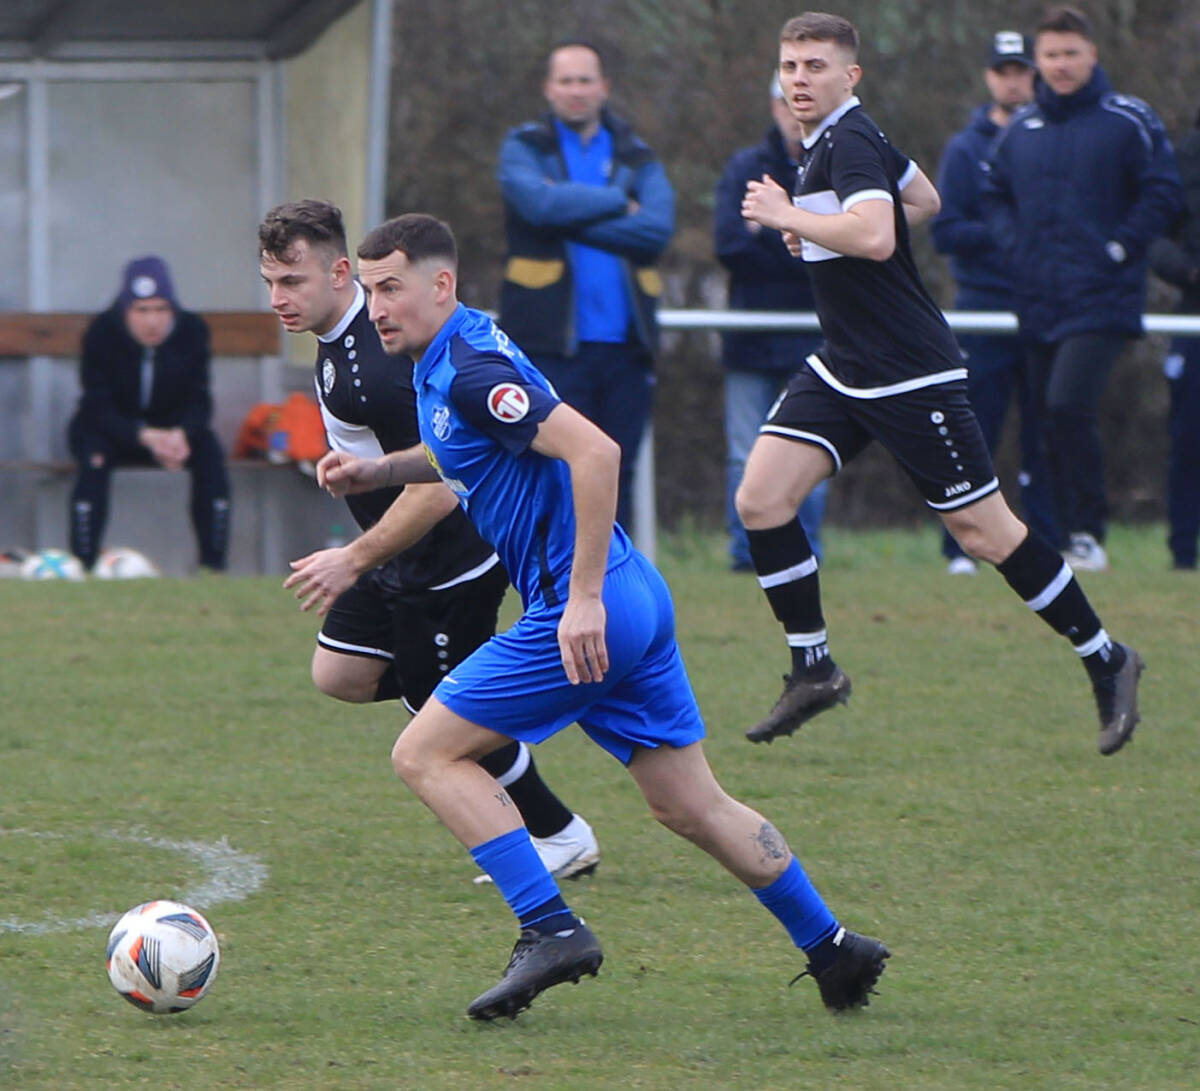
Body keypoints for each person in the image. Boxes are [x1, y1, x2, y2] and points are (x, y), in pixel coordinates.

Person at [321, 212, 890, 1021]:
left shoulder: (473, 367)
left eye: (392, 288)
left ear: (440, 285)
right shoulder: (451, 357)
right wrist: (377, 466)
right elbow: (460, 446)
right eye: (370, 290)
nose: (377, 306)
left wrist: (580, 598)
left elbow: (596, 452)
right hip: (635, 597)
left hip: (586, 606)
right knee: (690, 804)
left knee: (426, 752)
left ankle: (550, 926)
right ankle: (835, 948)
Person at [736, 12, 1144, 757]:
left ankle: (1107, 656)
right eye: (791, 66)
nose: (800, 79)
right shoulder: (838, 140)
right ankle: (812, 667)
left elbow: (880, 234)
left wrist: (790, 214)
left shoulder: (849, 137)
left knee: (984, 533)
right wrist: (817, 220)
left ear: (849, 75)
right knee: (761, 498)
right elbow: (922, 200)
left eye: (815, 67)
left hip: (909, 371)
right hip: (846, 363)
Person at [257, 199, 599, 881]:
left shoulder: (382, 361)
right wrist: (364, 471)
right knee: (341, 672)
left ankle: (560, 833)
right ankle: (472, 693)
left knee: (437, 711)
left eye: (291, 281)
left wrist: (353, 556)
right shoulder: (338, 342)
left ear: (339, 273)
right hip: (398, 555)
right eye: (269, 281)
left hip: (449, 560)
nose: (277, 298)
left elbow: (447, 479)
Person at [981, 5, 1183, 571]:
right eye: (1050, 55)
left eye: (1071, 53)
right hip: (1039, 298)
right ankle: (1056, 536)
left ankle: (1088, 532)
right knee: (1043, 420)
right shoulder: (1021, 130)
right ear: (1037, 61)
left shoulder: (1128, 119)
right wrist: (1014, 246)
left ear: (1092, 55)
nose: (1061, 64)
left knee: (1068, 404)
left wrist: (1119, 247)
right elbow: (991, 194)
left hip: (1104, 298)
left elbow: (1162, 193)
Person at [497, 40, 675, 530]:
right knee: (554, 472)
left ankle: (620, 591)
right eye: (566, 80)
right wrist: (619, 201)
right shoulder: (524, 146)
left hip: (626, 348)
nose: (576, 91)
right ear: (548, 88)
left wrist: (568, 212)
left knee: (620, 471)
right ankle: (558, 589)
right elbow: (536, 207)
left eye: (585, 80)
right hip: (549, 345)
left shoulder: (637, 154)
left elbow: (656, 228)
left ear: (604, 87)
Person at [930, 30, 1058, 575]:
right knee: (974, 428)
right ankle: (961, 545)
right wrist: (1011, 236)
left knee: (1046, 426)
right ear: (989, 77)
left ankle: (1050, 539)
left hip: (1045, 305)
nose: (1013, 80)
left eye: (1021, 70)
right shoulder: (965, 148)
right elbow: (946, 231)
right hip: (984, 309)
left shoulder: (1053, 139)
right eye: (1003, 70)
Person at [715, 73, 829, 569]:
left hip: (817, 340)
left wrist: (772, 228)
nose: (791, 109)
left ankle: (805, 552)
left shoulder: (836, 165)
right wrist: (800, 237)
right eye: (783, 100)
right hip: (751, 338)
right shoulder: (744, 167)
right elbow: (729, 247)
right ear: (772, 105)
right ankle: (748, 556)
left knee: (812, 457)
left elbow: (838, 253)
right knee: (746, 452)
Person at [67, 255, 230, 572]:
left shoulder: (192, 331)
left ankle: (213, 566)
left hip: (173, 433)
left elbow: (200, 399)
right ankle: (83, 564)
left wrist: (181, 435)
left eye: (161, 309)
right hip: (114, 432)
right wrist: (143, 436)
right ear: (125, 311)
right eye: (142, 310)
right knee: (93, 458)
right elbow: (96, 404)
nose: (152, 321)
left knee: (210, 455)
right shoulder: (102, 331)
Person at [1149, 106, 1200, 571]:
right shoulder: (1180, 158)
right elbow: (1155, 235)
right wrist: (1187, 271)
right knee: (1188, 439)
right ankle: (1183, 553)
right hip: (1193, 321)